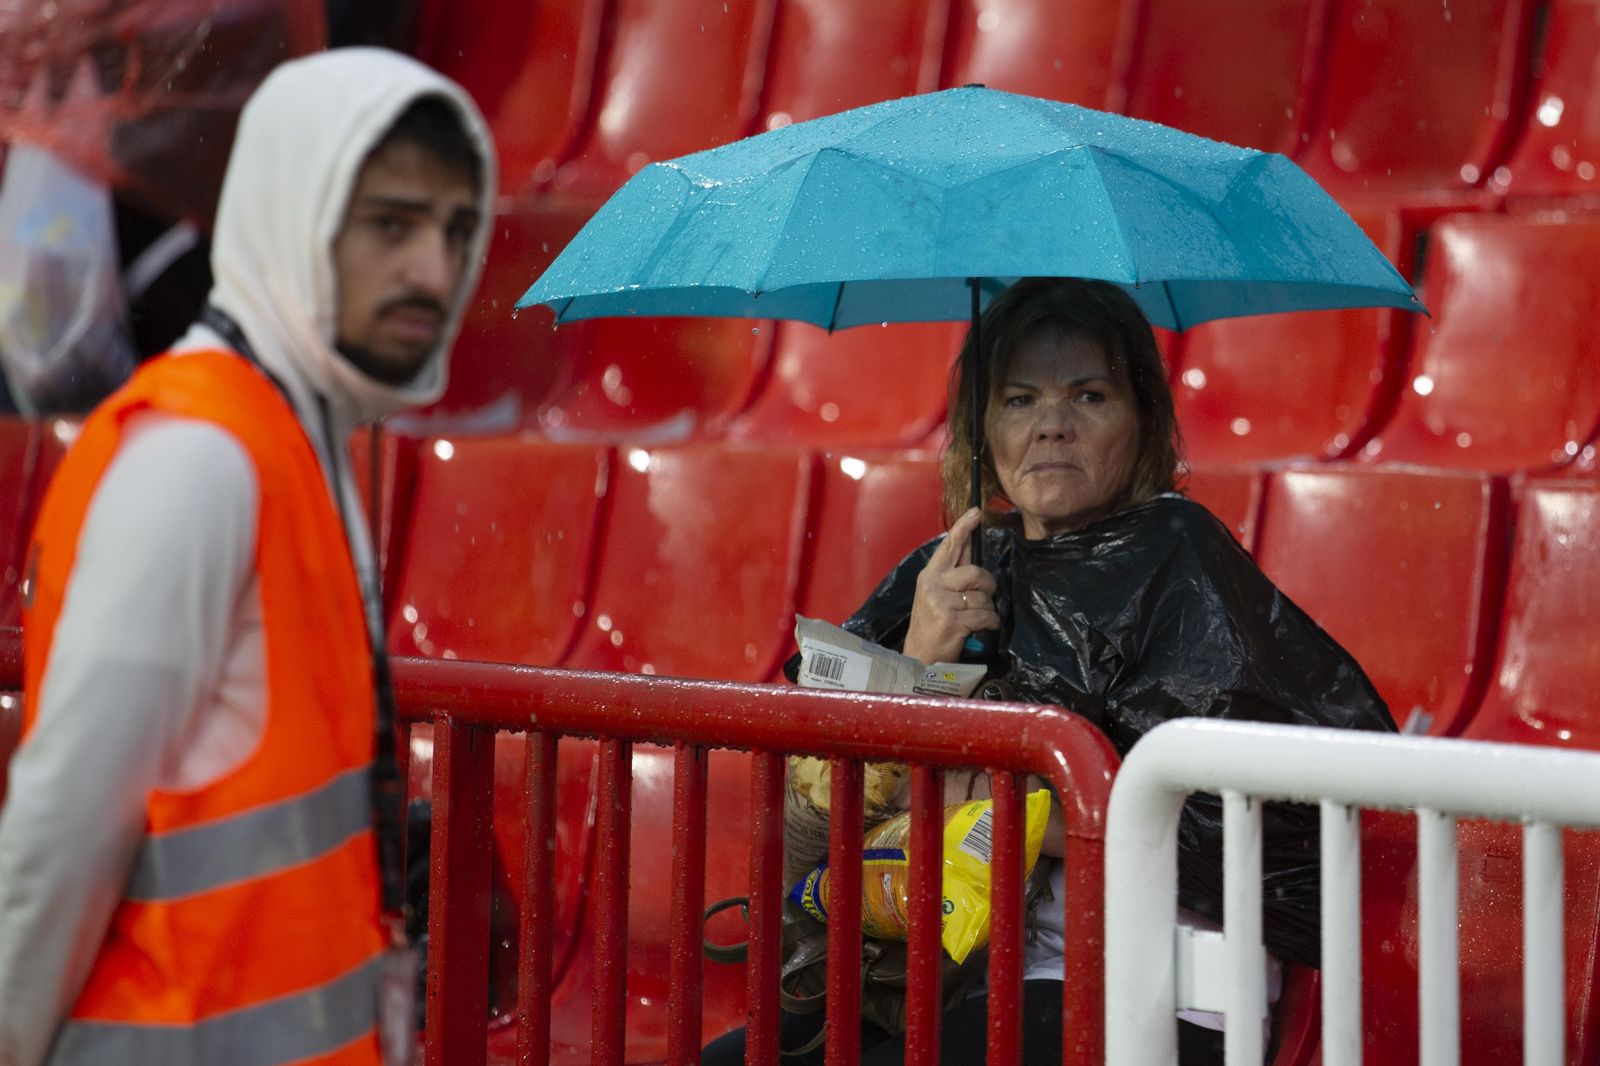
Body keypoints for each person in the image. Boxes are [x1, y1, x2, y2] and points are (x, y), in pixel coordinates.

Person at [704, 277, 1396, 1066]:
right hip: (970, 973)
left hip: (1157, 986)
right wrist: (920, 661)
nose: (1052, 428)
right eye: (1019, 400)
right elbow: (810, 824)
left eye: (1090, 397)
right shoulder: (953, 571)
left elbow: (1271, 818)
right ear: (983, 428)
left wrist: (1044, 814)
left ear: (1143, 424)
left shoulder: (1182, 554)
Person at [0, 48, 494, 1066]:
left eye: (454, 230)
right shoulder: (197, 456)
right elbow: (65, 822)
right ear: (289, 214)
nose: (433, 273)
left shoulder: (291, 432)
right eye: (390, 225)